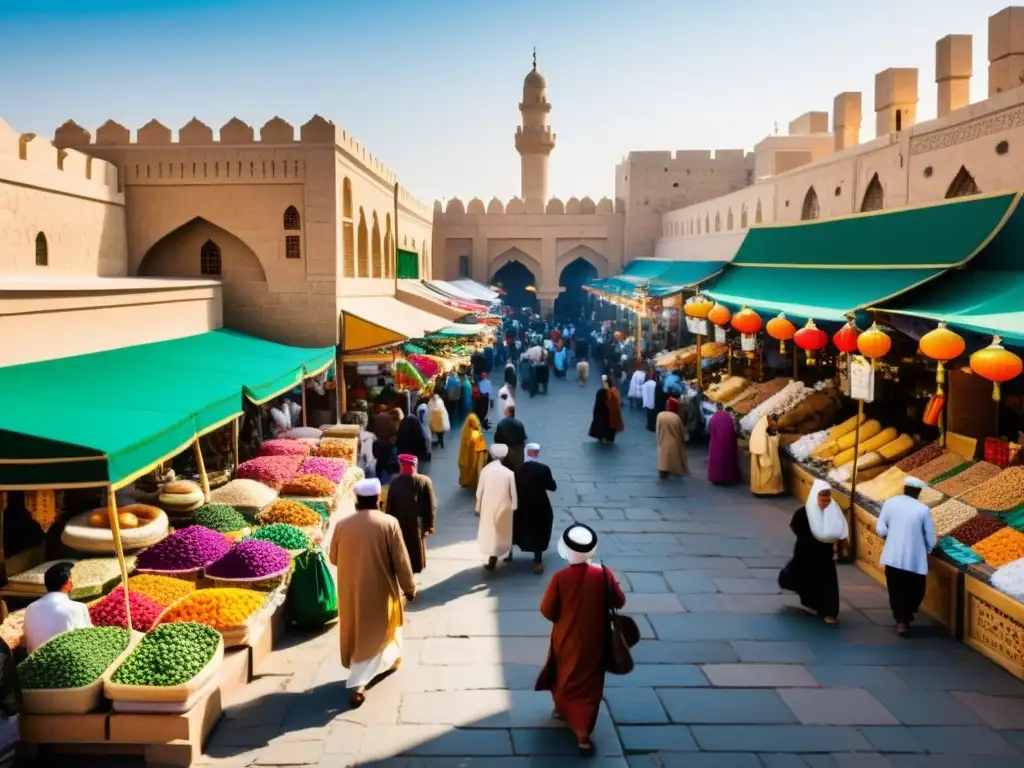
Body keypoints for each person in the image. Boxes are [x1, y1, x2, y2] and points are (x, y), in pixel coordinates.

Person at [536, 523, 626, 755]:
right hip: (596, 638)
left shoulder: (559, 578)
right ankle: (583, 733)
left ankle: (562, 708)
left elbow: (547, 610)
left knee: (564, 674)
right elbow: (619, 601)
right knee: (590, 682)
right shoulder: (604, 574)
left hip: (565, 637)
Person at [329, 478, 416, 708]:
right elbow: (401, 561)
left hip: (351, 590)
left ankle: (366, 674)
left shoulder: (342, 524)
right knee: (377, 630)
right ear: (379, 500)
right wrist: (409, 587)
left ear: (357, 501)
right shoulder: (389, 523)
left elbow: (333, 558)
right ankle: (359, 685)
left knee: (359, 631)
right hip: (380, 590)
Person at [779, 480, 849, 627]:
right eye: (822, 499)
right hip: (805, 555)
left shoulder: (833, 512)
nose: (825, 502)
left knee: (828, 584)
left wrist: (841, 548)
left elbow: (841, 530)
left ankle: (829, 613)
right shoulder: (803, 513)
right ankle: (813, 603)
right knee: (804, 579)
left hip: (824, 557)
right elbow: (796, 527)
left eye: (828, 499)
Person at [876, 476, 937, 637]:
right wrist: (931, 548)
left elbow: (880, 527)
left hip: (893, 555)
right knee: (916, 590)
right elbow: (930, 537)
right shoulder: (923, 509)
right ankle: (905, 616)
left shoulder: (891, 503)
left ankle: (901, 619)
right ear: (918, 492)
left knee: (896, 589)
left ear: (905, 489)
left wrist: (889, 535)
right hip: (914, 558)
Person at [23, 561, 92, 654]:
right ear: (69, 582)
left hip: (36, 664)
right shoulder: (78, 608)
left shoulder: (30, 608)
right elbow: (87, 641)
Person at [385, 455, 437, 575]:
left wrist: (388, 525)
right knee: (415, 551)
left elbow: (389, 506)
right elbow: (431, 505)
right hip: (417, 524)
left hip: (399, 523)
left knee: (400, 549)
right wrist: (430, 525)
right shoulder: (425, 480)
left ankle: (403, 576)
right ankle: (411, 577)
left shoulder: (395, 482)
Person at [512, 443, 557, 574]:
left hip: (522, 505)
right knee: (540, 529)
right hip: (540, 505)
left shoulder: (518, 469)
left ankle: (508, 553)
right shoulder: (544, 469)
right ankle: (537, 560)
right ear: (537, 453)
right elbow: (553, 487)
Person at [476, 444, 518, 571]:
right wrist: (514, 506)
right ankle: (502, 553)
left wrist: (478, 507)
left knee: (490, 531)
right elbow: (513, 493)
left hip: (488, 506)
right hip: (504, 507)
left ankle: (492, 559)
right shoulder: (509, 473)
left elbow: (479, 492)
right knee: (502, 531)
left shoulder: (485, 471)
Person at [749, 414, 783, 495]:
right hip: (765, 457)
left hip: (759, 456)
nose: (771, 424)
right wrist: (776, 438)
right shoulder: (763, 434)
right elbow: (769, 445)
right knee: (770, 473)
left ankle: (759, 489)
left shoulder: (758, 431)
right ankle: (767, 490)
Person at [707, 404, 741, 485]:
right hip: (727, 443)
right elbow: (734, 431)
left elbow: (709, 430)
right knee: (727, 460)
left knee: (716, 460)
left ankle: (716, 478)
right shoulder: (729, 418)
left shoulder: (712, 418)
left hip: (715, 443)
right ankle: (727, 478)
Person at [588, 375, 624, 444]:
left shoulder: (605, 392)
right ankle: (606, 438)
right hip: (608, 414)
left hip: (606, 414)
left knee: (605, 427)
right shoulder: (612, 391)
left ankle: (605, 438)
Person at [458, 413, 490, 488]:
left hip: (465, 457)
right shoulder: (476, 433)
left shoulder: (466, 431)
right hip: (475, 457)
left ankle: (465, 481)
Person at [494, 403, 528, 473]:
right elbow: (523, 438)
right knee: (518, 472)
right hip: (518, 452)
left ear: (507, 412)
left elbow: (496, 439)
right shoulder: (519, 423)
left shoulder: (501, 423)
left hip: (506, 451)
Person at [655, 408, 689, 479]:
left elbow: (658, 429)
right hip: (674, 441)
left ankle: (663, 471)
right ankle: (674, 470)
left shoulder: (660, 415)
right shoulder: (676, 418)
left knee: (663, 459)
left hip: (663, 439)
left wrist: (658, 439)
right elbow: (681, 431)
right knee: (674, 457)